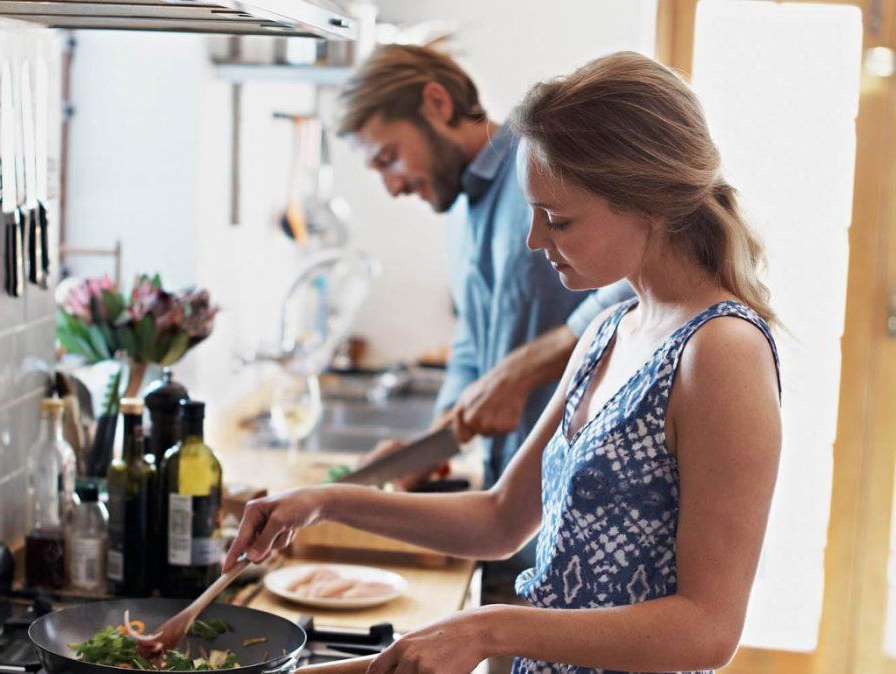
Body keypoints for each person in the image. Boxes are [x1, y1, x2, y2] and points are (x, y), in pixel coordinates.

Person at [227, 51, 782, 674]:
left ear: (647, 199)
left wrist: (489, 629)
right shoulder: (608, 331)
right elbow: (498, 520)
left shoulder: (722, 350)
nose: (535, 240)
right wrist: (326, 501)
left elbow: (707, 629)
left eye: (559, 219)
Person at [336, 44, 633, 598]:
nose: (391, 186)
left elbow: (635, 285)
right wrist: (434, 439)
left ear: (437, 103)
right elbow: (474, 340)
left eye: (388, 158)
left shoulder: (544, 165)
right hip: (507, 518)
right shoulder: (457, 212)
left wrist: (525, 369)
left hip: (582, 512)